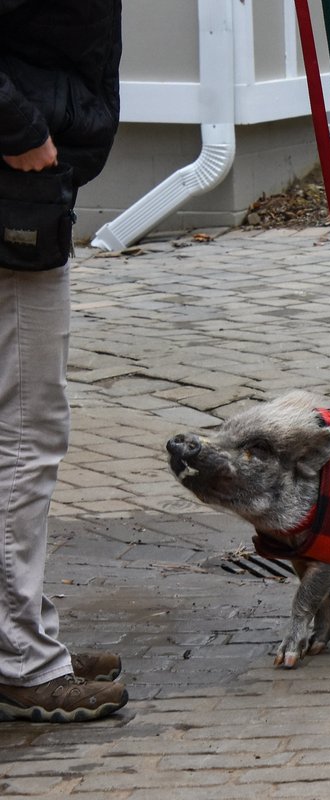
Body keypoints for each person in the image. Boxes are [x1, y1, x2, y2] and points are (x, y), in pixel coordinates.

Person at [0, 0, 127, 722]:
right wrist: (18, 129)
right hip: (12, 183)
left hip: (26, 175)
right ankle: (21, 659)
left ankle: (21, 640)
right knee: (25, 433)